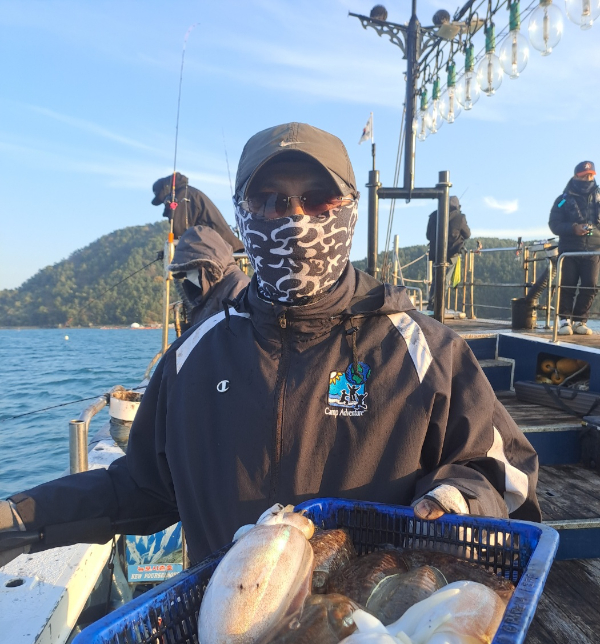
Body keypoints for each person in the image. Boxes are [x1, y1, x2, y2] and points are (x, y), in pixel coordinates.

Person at [0, 123, 540, 565]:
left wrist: (460, 498)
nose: (296, 217)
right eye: (270, 201)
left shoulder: (425, 352)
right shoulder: (192, 359)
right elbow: (143, 488)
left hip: (373, 636)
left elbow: (503, 475)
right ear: (241, 214)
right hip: (227, 630)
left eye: (318, 199)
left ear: (350, 209)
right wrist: (20, 518)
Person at [549, 161, 600, 336]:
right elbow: (554, 224)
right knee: (566, 286)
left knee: (590, 286)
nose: (588, 178)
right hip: (569, 250)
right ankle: (564, 321)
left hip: (593, 250)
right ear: (576, 176)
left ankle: (580, 321)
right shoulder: (562, 200)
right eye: (584, 176)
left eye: (590, 175)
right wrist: (573, 228)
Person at [169, 225, 250, 329]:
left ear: (207, 266)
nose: (188, 275)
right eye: (185, 271)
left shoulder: (238, 287)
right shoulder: (209, 291)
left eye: (191, 268)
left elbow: (237, 333)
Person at [152, 172, 244, 252]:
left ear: (165, 191)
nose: (165, 203)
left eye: (163, 200)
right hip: (224, 247)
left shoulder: (183, 196)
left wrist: (171, 251)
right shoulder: (188, 192)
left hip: (223, 249)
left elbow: (180, 230)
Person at [426, 196, 471, 311]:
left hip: (436, 253)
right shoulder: (460, 217)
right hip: (452, 253)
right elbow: (467, 234)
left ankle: (432, 303)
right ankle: (439, 306)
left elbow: (428, 235)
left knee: (436, 278)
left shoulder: (434, 215)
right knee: (444, 279)